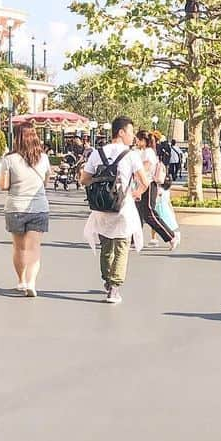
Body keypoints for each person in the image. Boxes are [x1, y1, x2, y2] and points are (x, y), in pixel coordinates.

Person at [79, 115, 148, 305]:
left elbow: (84, 179)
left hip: (101, 208)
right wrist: (135, 193)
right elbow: (145, 181)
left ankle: (107, 281)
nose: (133, 137)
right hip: (122, 207)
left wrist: (100, 182)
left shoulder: (97, 153)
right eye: (131, 132)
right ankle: (115, 288)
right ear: (121, 132)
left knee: (106, 246)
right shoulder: (131, 155)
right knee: (121, 246)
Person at [0, 123, 50, 298]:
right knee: (34, 248)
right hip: (38, 207)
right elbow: (45, 182)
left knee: (19, 248)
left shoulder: (9, 159)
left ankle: (21, 281)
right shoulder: (43, 158)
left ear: (17, 138)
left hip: (15, 207)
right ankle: (31, 282)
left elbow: (3, 185)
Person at [134, 130, 177, 250]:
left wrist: (135, 170)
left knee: (149, 214)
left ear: (144, 141)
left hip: (148, 185)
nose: (136, 141)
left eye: (138, 139)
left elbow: (145, 169)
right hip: (140, 185)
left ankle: (170, 236)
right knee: (138, 213)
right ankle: (133, 239)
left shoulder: (148, 153)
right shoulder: (141, 152)